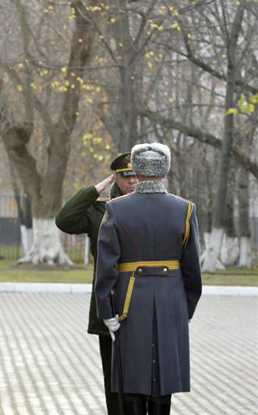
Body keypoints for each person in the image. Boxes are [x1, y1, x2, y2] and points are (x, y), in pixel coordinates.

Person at [95, 143, 202, 415]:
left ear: (137, 172)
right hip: (171, 300)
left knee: (132, 374)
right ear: (164, 172)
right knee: (163, 377)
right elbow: (192, 269)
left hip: (129, 301)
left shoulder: (117, 208)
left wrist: (106, 311)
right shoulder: (185, 209)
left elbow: (106, 267)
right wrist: (185, 309)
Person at [55, 152, 138, 415]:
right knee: (112, 372)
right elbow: (65, 220)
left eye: (137, 175)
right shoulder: (100, 207)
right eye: (126, 177)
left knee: (143, 372)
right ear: (116, 178)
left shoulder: (147, 205)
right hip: (109, 296)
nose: (133, 181)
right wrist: (95, 189)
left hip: (141, 296)